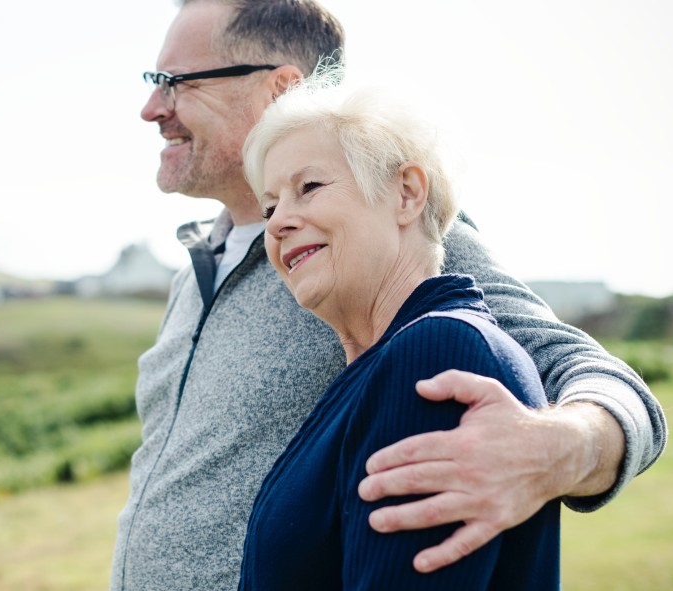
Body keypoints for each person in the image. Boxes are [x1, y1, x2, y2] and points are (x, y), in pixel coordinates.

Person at [111, 1, 666, 589]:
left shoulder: (385, 235)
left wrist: (561, 450)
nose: (152, 109)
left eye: (175, 83)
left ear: (281, 89)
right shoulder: (197, 266)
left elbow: (589, 373)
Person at [238, 71, 559, 589]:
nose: (276, 224)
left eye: (309, 187)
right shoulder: (374, 371)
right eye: (271, 206)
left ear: (406, 194)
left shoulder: (436, 354)